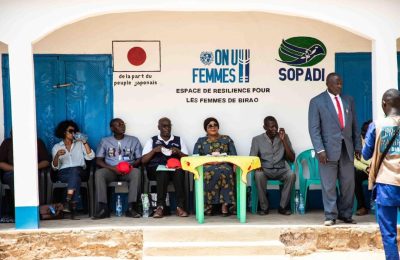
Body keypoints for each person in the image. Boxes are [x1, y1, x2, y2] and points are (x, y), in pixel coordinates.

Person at [308, 72, 361, 226]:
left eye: (341, 83)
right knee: (329, 185)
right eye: (336, 83)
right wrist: (319, 150)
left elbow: (354, 126)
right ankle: (330, 215)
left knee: (348, 184)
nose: (339, 86)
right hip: (327, 151)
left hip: (347, 149)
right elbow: (314, 129)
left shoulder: (348, 100)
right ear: (327, 84)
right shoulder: (317, 102)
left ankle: (346, 214)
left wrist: (358, 145)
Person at [363, 89, 400, 260]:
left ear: (384, 104)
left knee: (389, 233)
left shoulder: (376, 126)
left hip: (386, 185)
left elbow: (365, 154)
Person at [93, 118, 142, 219]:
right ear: (112, 128)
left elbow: (139, 159)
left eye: (123, 124)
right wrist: (112, 168)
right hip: (111, 170)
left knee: (136, 172)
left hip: (128, 170)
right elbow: (98, 160)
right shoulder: (105, 141)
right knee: (99, 173)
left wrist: (130, 167)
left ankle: (131, 208)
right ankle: (103, 208)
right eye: (119, 125)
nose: (122, 126)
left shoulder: (134, 140)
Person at [141, 117, 189, 218]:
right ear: (159, 127)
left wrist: (178, 152)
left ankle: (180, 207)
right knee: (162, 172)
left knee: (179, 172)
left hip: (174, 168)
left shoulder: (178, 140)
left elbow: (188, 159)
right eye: (164, 126)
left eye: (169, 126)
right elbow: (143, 160)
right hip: (156, 170)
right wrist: (154, 151)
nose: (167, 128)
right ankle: (160, 207)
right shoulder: (152, 140)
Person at [250, 116, 296, 215]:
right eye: (271, 127)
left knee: (291, 175)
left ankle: (282, 207)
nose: (274, 129)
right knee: (258, 175)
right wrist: (257, 165)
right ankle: (264, 207)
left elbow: (292, 158)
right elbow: (252, 157)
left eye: (276, 126)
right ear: (264, 127)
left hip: (281, 168)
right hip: (265, 169)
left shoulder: (284, 136)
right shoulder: (257, 139)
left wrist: (283, 140)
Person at [0, 131, 50, 221]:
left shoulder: (37, 142)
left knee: (32, 179)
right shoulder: (7, 143)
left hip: (32, 171)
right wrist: (17, 170)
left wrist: (31, 168)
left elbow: (46, 161)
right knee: (15, 179)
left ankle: (34, 213)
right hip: (12, 171)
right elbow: (1, 163)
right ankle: (17, 213)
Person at [193, 117, 237, 216]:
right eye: (210, 126)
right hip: (207, 165)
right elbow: (195, 157)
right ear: (206, 128)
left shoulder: (226, 139)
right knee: (209, 173)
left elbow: (234, 155)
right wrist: (210, 162)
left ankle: (225, 205)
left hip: (224, 164)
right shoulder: (201, 141)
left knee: (226, 171)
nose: (213, 127)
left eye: (215, 125)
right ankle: (208, 206)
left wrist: (233, 164)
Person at [51, 120, 95, 219]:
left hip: (80, 170)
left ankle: (67, 202)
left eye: (74, 131)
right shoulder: (57, 147)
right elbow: (55, 167)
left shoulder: (80, 144)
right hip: (64, 173)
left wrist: (85, 142)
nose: (73, 133)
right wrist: (57, 156)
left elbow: (90, 157)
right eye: (70, 131)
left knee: (75, 171)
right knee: (75, 177)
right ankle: (71, 206)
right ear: (63, 132)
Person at [354, 120, 372, 216]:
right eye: (364, 132)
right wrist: (366, 168)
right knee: (354, 176)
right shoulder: (358, 142)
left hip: (377, 168)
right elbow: (355, 161)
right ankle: (362, 207)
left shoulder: (379, 138)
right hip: (366, 169)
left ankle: (378, 206)